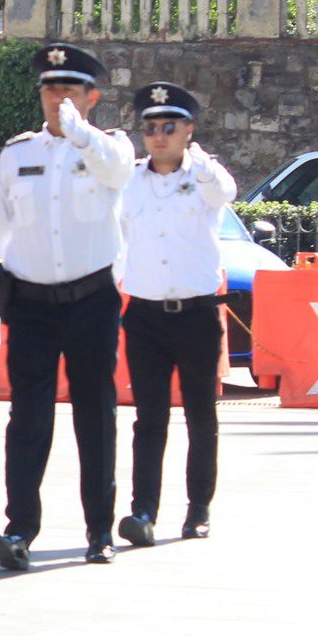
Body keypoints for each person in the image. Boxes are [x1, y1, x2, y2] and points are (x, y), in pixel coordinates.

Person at [0, 43, 134, 570]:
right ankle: (20, 528)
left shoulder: (108, 146)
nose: (57, 98)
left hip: (90, 298)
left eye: (69, 88)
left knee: (95, 415)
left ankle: (98, 531)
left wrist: (80, 132)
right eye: (49, 87)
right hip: (32, 303)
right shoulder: (18, 153)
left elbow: (117, 174)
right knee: (28, 419)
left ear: (92, 97)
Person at [115, 82, 236, 549]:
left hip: (196, 315)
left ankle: (198, 510)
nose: (158, 136)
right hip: (144, 315)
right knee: (149, 418)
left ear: (188, 130)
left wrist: (200, 159)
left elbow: (224, 191)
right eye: (150, 127)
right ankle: (143, 509)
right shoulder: (129, 181)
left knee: (201, 416)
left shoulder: (205, 178)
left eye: (169, 126)